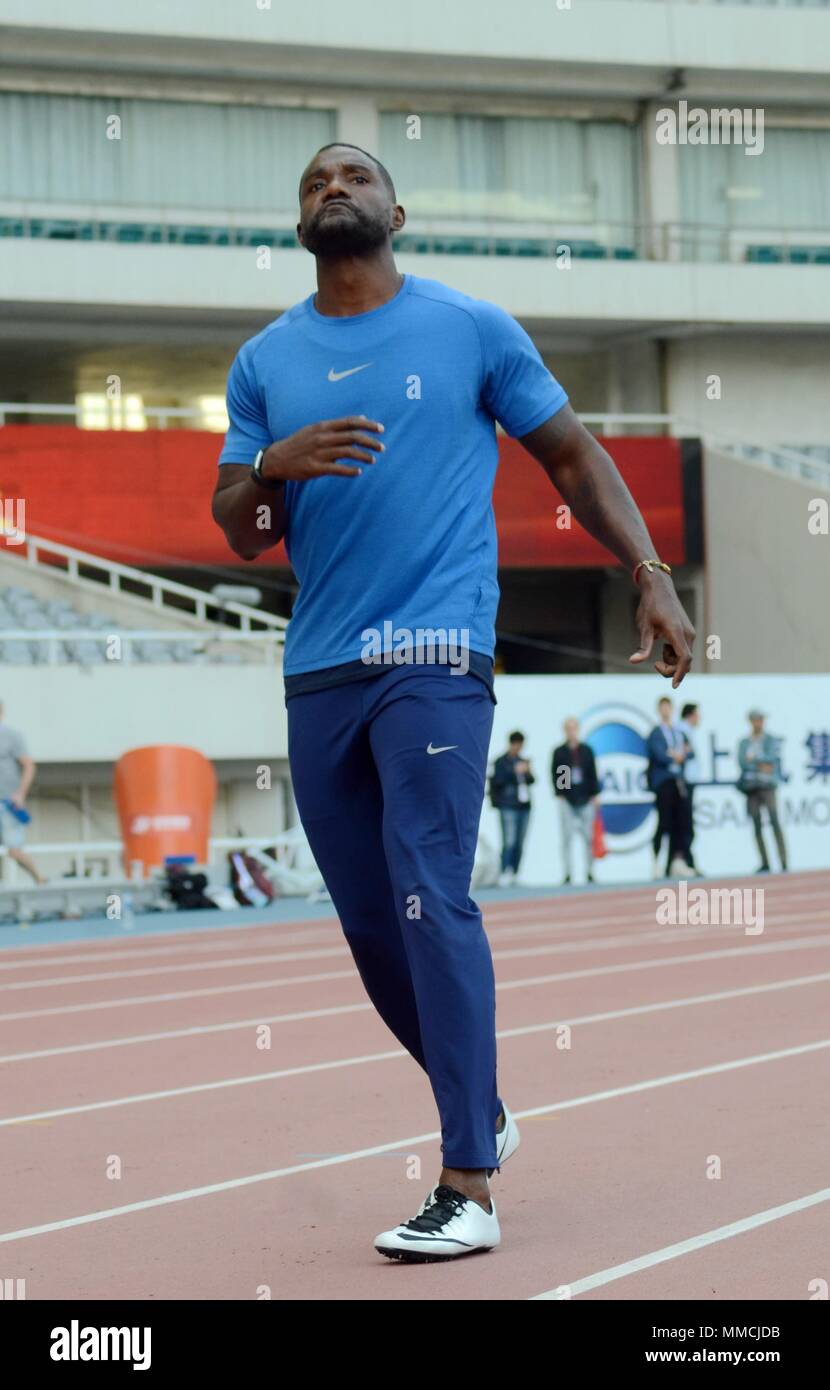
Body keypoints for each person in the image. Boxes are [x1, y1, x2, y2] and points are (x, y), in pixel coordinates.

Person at [211, 141, 695, 1263]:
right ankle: (479, 1102)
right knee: (371, 925)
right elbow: (243, 528)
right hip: (319, 666)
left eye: (354, 177)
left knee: (429, 886)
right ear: (299, 223)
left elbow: (571, 458)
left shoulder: (470, 328)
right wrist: (271, 464)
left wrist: (648, 575)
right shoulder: (263, 359)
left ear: (396, 208)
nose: (333, 187)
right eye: (313, 181)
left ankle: (466, 1181)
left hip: (435, 652)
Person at [647, 696, 694, 878]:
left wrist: (678, 755)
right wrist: (675, 755)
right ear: (659, 710)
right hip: (664, 782)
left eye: (668, 707)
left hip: (678, 781)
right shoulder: (656, 733)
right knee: (664, 822)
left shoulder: (678, 732)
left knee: (680, 823)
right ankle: (656, 862)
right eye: (663, 708)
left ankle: (675, 862)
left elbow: (690, 752)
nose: (666, 711)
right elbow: (659, 755)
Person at [738, 710, 788, 873]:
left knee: (775, 822)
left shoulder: (770, 740)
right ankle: (764, 862)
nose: (758, 723)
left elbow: (771, 761)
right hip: (751, 787)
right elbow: (743, 763)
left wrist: (755, 760)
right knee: (756, 825)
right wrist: (760, 764)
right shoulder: (744, 742)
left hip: (768, 786)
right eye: (755, 720)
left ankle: (783, 860)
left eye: (760, 720)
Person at [0, 701, 45, 884]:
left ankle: (39, 879)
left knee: (14, 851)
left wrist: (20, 794)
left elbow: (28, 765)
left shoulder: (11, 736)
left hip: (7, 802)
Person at [551, 718, 600, 885]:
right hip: (568, 799)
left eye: (574, 728)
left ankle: (590, 871)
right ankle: (568, 873)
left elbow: (592, 774)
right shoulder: (560, 752)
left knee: (588, 837)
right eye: (568, 728)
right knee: (567, 838)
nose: (571, 732)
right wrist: (562, 793)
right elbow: (558, 774)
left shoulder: (586, 751)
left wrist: (594, 795)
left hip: (586, 798)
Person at [489, 731, 535, 886]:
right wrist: (514, 771)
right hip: (508, 805)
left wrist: (527, 771)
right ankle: (504, 871)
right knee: (509, 840)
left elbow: (532, 780)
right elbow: (497, 781)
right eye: (517, 744)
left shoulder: (524, 761)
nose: (519, 748)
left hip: (524, 805)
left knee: (520, 842)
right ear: (511, 744)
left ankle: (515, 872)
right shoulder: (501, 762)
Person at [677, 701, 701, 873]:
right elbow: (684, 754)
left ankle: (686, 859)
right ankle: (685, 860)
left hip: (689, 780)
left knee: (687, 822)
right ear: (690, 715)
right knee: (685, 822)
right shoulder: (682, 731)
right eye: (697, 714)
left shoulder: (688, 731)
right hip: (684, 781)